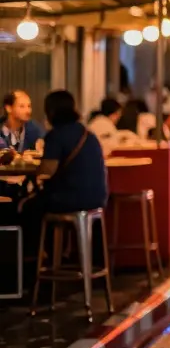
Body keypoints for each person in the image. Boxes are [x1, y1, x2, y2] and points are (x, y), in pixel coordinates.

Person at [8, 92, 108, 251]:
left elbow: (46, 173)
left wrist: (32, 168)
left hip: (71, 200)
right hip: (98, 199)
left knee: (27, 207)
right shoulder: (88, 134)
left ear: (51, 112)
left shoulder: (57, 135)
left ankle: (32, 263)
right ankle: (56, 258)